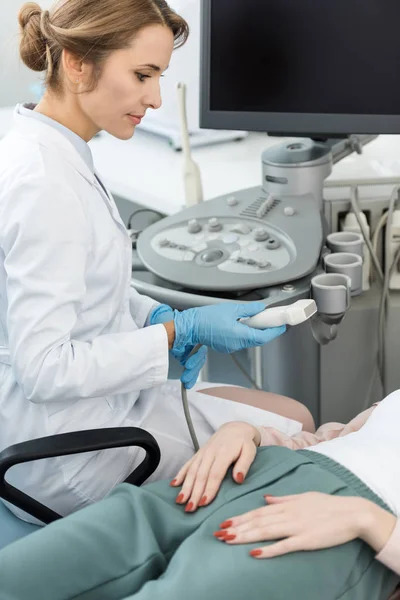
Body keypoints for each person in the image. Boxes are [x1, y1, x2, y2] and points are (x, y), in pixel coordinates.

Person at [0, 0, 314, 523]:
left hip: (101, 406)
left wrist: (154, 316)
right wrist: (175, 333)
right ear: (78, 63)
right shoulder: (43, 182)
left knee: (292, 415)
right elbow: (46, 371)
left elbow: (84, 285)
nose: (156, 97)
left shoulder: (49, 145)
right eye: (143, 75)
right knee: (293, 443)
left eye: (160, 76)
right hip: (70, 453)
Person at [2, 391, 400, 600]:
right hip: (245, 475)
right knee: (19, 574)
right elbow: (333, 439)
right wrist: (246, 431)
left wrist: (367, 520)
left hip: (336, 531)